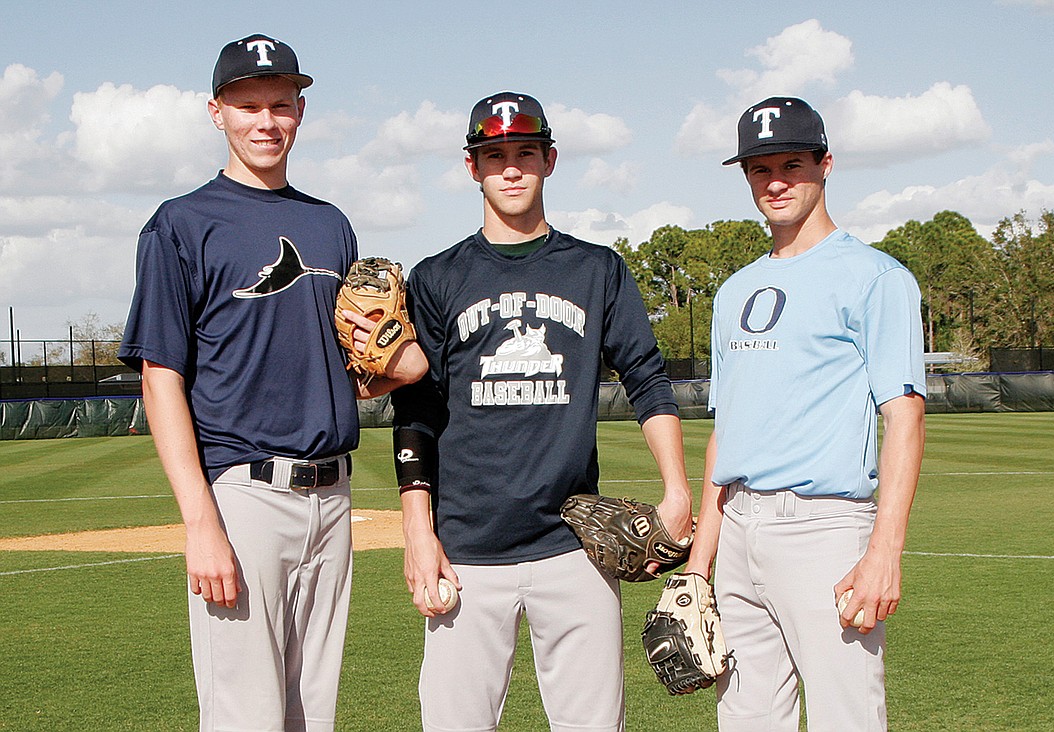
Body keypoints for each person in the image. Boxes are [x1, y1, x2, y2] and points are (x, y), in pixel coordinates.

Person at [118, 33, 426, 731]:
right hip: (243, 497)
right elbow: (160, 377)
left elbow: (349, 370)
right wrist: (201, 522)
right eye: (248, 105)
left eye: (279, 105)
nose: (266, 121)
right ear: (216, 111)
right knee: (245, 716)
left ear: (301, 111)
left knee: (313, 714)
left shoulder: (329, 225)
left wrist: (398, 365)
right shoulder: (181, 224)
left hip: (333, 495)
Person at [389, 91, 694, 732]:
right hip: (466, 549)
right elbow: (414, 410)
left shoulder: (596, 270)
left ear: (549, 160)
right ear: (472, 167)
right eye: (494, 154)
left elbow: (646, 378)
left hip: (574, 548)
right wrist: (419, 531)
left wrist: (676, 490)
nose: (510, 168)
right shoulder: (437, 277)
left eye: (525, 152)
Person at [682, 97, 926, 731]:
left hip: (824, 529)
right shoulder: (734, 290)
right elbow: (723, 434)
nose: (776, 181)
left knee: (847, 716)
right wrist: (698, 568)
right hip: (737, 527)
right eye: (760, 168)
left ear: (826, 165)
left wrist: (885, 550)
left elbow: (904, 416)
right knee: (745, 717)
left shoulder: (876, 277)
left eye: (792, 163)